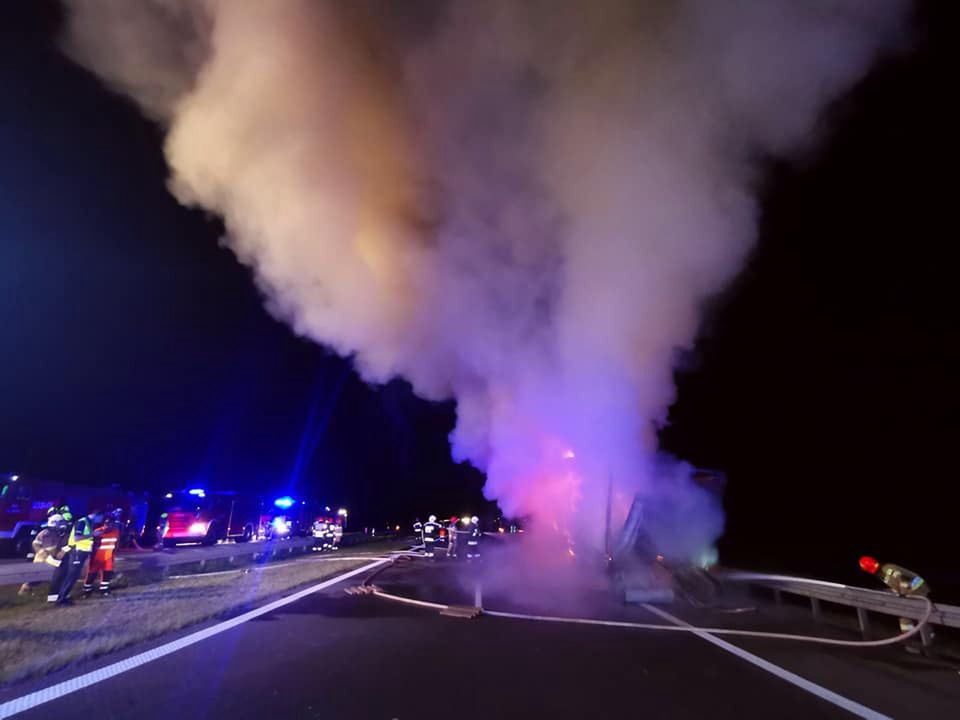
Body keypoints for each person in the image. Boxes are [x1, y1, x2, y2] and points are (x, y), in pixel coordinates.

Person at [859, 555, 930, 633]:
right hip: (909, 590)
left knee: (906, 610)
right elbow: (895, 583)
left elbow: (903, 579)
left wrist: (902, 593)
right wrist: (889, 591)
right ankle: (910, 633)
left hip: (917, 588)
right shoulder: (880, 573)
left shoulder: (887, 569)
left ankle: (913, 634)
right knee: (905, 611)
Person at [56, 509, 104, 605]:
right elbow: (77, 538)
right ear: (96, 515)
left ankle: (64, 596)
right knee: (72, 576)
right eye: (101, 517)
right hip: (77, 552)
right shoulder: (82, 522)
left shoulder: (88, 522)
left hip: (82, 552)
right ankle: (61, 599)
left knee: (74, 576)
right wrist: (93, 534)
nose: (101, 520)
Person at [19, 514, 66, 596]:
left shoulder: (63, 534)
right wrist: (41, 552)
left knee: (59, 575)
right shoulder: (44, 533)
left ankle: (58, 592)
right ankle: (25, 589)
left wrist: (61, 552)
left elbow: (65, 545)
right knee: (37, 576)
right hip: (43, 557)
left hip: (55, 557)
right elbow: (35, 544)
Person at [84, 510, 120, 596]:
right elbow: (92, 544)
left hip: (108, 557)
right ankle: (87, 590)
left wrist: (113, 554)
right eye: (107, 524)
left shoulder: (116, 532)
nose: (108, 526)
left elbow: (116, 544)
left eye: (111, 524)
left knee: (107, 573)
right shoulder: (98, 531)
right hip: (97, 557)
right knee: (92, 573)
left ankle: (104, 590)